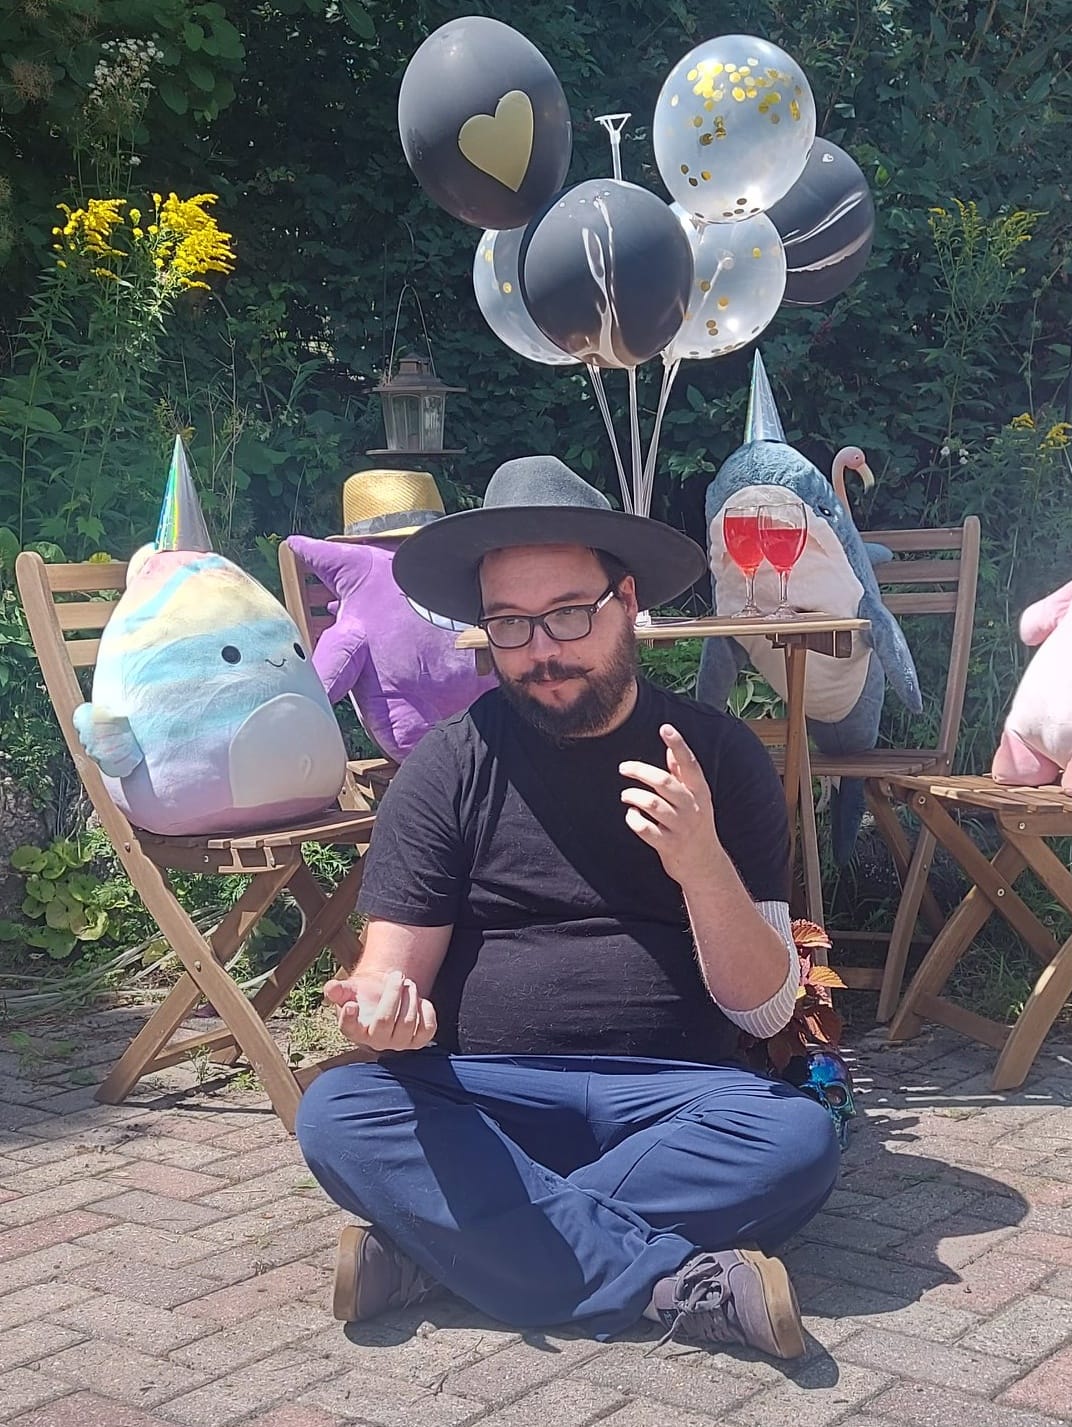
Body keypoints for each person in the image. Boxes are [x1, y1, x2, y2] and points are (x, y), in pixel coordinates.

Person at [295, 455, 841, 1360]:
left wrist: (700, 863)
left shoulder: (715, 755)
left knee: (791, 1136)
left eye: (567, 614)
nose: (541, 648)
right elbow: (390, 964)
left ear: (626, 600)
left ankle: (449, 1246)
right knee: (341, 1111)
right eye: (509, 624)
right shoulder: (449, 764)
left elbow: (767, 1007)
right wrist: (384, 1002)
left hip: (680, 1100)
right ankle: (674, 1284)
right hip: (485, 1093)